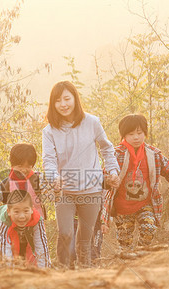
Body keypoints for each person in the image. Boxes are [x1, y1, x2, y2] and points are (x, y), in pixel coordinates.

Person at [42, 81, 120, 268]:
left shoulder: (92, 122)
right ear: (53, 104)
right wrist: (54, 177)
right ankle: (64, 270)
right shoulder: (49, 131)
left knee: (86, 236)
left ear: (75, 99)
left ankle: (85, 271)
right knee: (65, 233)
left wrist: (113, 171)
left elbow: (107, 149)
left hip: (91, 189)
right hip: (65, 191)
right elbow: (49, 159)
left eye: (67, 99)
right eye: (58, 101)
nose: (63, 104)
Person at [102, 114, 169, 254]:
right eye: (131, 134)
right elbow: (102, 178)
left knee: (149, 228)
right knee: (125, 247)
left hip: (145, 204)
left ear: (145, 133)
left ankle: (141, 254)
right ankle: (129, 264)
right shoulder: (115, 154)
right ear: (123, 136)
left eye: (139, 133)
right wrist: (109, 181)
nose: (136, 137)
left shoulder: (153, 155)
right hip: (122, 208)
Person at [0, 190, 51, 268]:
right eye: (17, 212)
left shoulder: (37, 220)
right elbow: (4, 247)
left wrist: (45, 270)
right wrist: (9, 273)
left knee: (20, 258)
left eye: (26, 211)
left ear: (32, 210)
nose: (22, 216)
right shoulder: (4, 220)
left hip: (19, 232)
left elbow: (41, 246)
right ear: (9, 212)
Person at [0, 143, 46, 218]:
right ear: (12, 165)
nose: (24, 170)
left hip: (36, 223)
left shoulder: (37, 179)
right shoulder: (6, 184)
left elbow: (49, 192)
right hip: (13, 225)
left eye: (28, 166)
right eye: (20, 166)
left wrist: (56, 190)